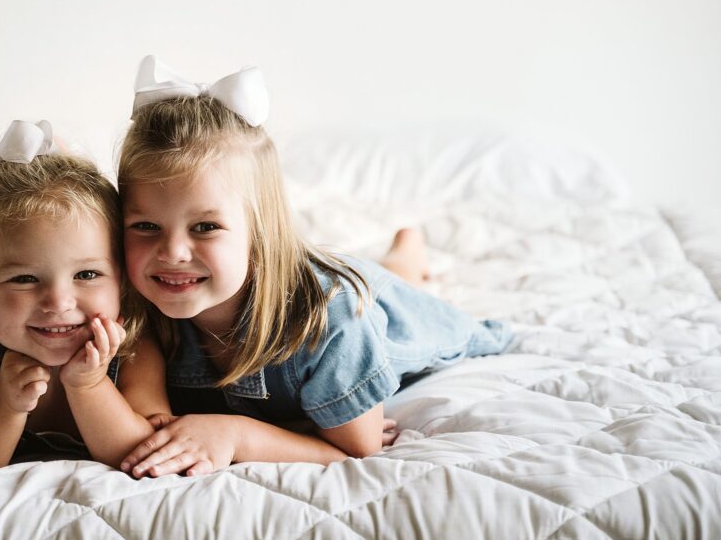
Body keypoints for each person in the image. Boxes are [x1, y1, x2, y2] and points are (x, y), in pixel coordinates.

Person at [116, 56, 514, 478]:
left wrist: (237, 435)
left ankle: (408, 253)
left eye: (206, 226)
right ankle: (401, 255)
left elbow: (357, 448)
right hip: (326, 275)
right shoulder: (136, 306)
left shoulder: (333, 317)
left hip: (369, 301)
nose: (173, 252)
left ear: (261, 231)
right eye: (144, 226)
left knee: (390, 287)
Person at [0, 120, 169, 473]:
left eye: (86, 274)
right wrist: (3, 405)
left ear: (122, 283)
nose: (58, 302)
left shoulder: (133, 346)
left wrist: (90, 386)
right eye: (24, 278)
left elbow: (148, 454)